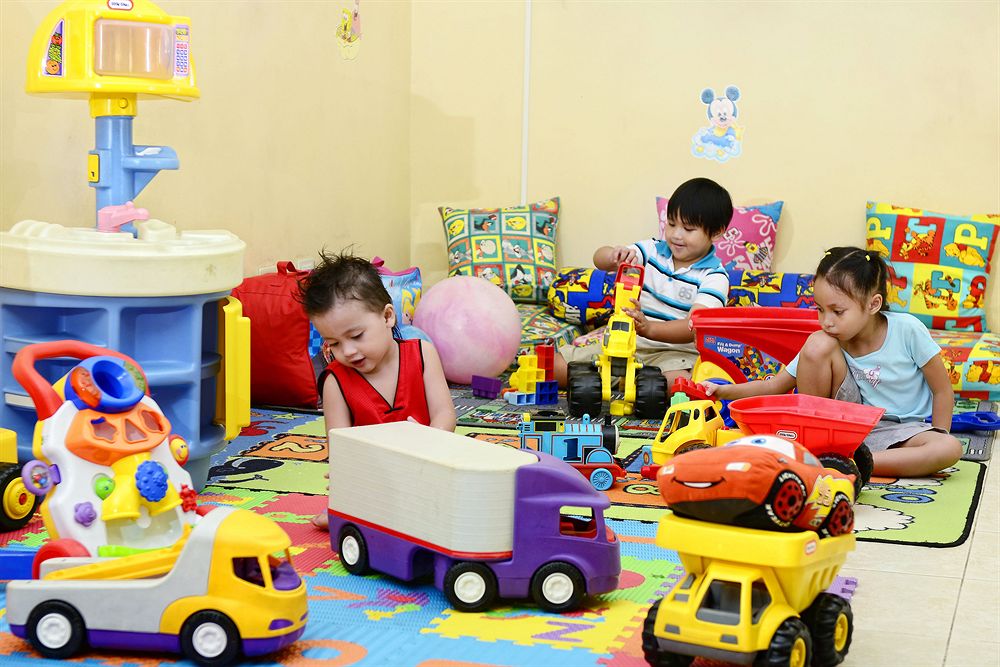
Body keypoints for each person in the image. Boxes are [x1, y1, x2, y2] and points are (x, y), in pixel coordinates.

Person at [704, 246, 962, 478]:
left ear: (873, 304)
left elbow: (942, 390)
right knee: (817, 344)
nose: (826, 321)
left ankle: (851, 463)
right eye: (820, 309)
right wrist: (723, 391)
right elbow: (774, 386)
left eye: (838, 312)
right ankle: (818, 446)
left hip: (904, 433)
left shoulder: (907, 330)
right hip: (846, 428)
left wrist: (938, 433)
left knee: (948, 447)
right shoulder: (829, 340)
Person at [298, 251, 456, 528]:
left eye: (356, 336)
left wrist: (428, 441)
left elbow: (445, 414)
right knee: (360, 510)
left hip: (426, 467)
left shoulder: (423, 354)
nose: (348, 351)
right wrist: (348, 478)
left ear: (387, 316)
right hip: (373, 479)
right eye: (334, 343)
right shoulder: (335, 382)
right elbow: (341, 448)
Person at [554, 177, 733, 386]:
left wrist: (649, 328)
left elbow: (693, 327)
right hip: (627, 345)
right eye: (671, 224)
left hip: (673, 355)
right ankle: (625, 383)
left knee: (679, 383)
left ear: (717, 232)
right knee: (556, 365)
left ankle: (626, 384)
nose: (676, 235)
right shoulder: (651, 251)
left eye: (688, 229)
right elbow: (599, 261)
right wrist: (613, 255)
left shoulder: (714, 276)